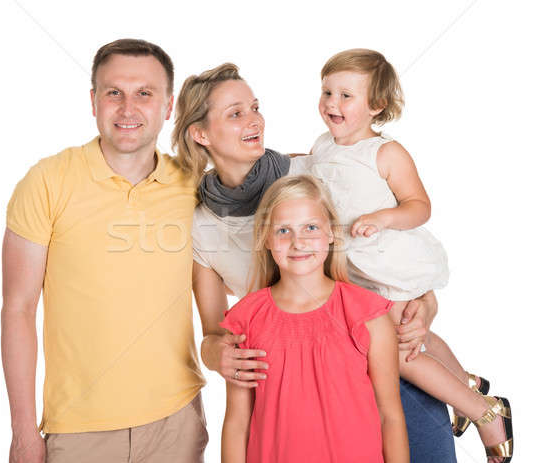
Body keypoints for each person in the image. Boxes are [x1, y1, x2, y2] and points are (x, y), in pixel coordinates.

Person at [172, 63, 457, 462]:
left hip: (385, 368)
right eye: (236, 113)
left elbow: (391, 250)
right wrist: (218, 355)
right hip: (290, 396)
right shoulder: (201, 226)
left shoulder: (312, 172)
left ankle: (477, 402)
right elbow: (212, 334)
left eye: (255, 107)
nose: (254, 120)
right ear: (200, 134)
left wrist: (425, 300)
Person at [1, 39, 208, 463]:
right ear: (94, 101)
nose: (127, 108)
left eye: (144, 93)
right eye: (114, 92)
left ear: (168, 106)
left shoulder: (194, 185)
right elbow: (18, 308)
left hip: (176, 423)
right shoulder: (47, 182)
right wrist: (23, 433)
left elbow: (266, 179)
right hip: (78, 431)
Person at [310, 48, 513, 462]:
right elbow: (316, 170)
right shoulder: (322, 145)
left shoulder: (386, 153)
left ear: (376, 106)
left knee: (398, 348)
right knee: (415, 335)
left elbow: (419, 205)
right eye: (327, 91)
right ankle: (465, 387)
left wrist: (384, 217)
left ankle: (485, 412)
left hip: (388, 261)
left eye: (346, 95)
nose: (332, 103)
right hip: (356, 269)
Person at [221, 174, 409, 462]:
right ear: (266, 238)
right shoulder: (246, 319)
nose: (298, 242)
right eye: (283, 230)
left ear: (331, 233)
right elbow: (237, 424)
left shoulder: (367, 315)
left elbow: (390, 416)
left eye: (310, 227)